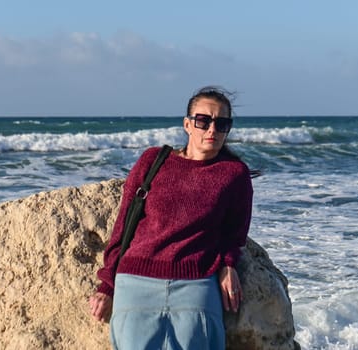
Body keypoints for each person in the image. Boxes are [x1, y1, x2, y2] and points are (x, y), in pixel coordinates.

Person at [89, 86, 254, 350]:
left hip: (196, 286)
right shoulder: (153, 160)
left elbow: (234, 233)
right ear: (187, 124)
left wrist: (228, 265)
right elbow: (124, 224)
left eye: (222, 123)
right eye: (203, 121)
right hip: (136, 284)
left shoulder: (233, 174)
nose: (212, 129)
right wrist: (107, 285)